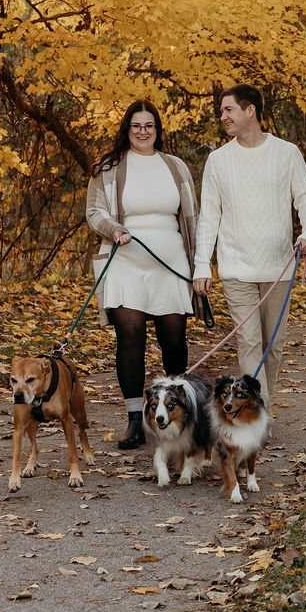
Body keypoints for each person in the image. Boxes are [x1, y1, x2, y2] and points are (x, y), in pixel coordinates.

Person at [193, 84, 306, 408]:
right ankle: (259, 417)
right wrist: (202, 264)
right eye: (222, 111)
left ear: (250, 110)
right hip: (236, 268)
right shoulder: (218, 160)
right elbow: (208, 216)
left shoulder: (286, 153)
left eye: (228, 110)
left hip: (279, 267)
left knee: (272, 346)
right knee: (249, 342)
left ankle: (261, 405)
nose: (223, 117)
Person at [86, 100, 201, 448]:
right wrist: (114, 228)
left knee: (173, 338)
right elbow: (94, 211)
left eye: (149, 125)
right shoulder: (108, 168)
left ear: (157, 129)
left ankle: (177, 414)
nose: (142, 131)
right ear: (127, 128)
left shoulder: (175, 167)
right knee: (131, 335)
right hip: (126, 263)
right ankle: (136, 420)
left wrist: (200, 264)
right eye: (136, 125)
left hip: (171, 263)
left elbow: (192, 217)